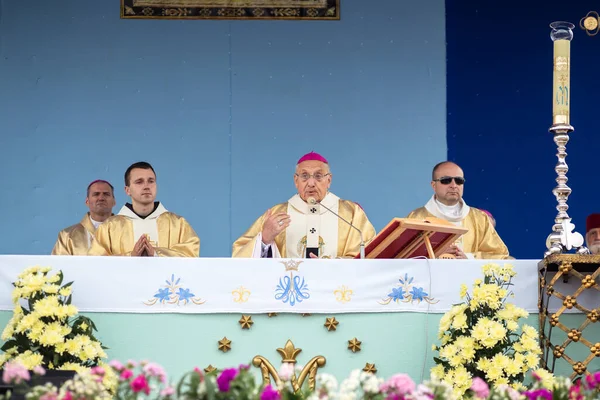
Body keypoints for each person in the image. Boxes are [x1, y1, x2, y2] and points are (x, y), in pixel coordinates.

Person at [232, 152, 376, 259]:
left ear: (329, 180)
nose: (311, 183)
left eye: (318, 176)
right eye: (305, 176)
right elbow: (239, 256)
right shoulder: (277, 214)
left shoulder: (350, 213)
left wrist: (331, 267)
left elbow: (369, 254)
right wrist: (264, 239)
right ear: (296, 181)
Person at [89, 162, 199, 257]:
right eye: (139, 182)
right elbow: (96, 263)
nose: (146, 186)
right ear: (127, 190)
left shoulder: (178, 224)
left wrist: (156, 254)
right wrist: (131, 257)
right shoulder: (109, 227)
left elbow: (191, 254)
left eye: (151, 181)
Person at [406, 161, 510, 259]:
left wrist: (468, 258)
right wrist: (434, 255)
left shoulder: (480, 219)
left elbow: (500, 255)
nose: (454, 185)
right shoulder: (416, 218)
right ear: (434, 185)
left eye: (459, 181)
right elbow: (403, 256)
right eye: (446, 180)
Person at [52, 180, 116, 255]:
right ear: (87, 201)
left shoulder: (127, 231)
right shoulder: (67, 235)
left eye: (106, 194)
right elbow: (59, 265)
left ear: (114, 202)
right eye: (96, 194)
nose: (101, 198)